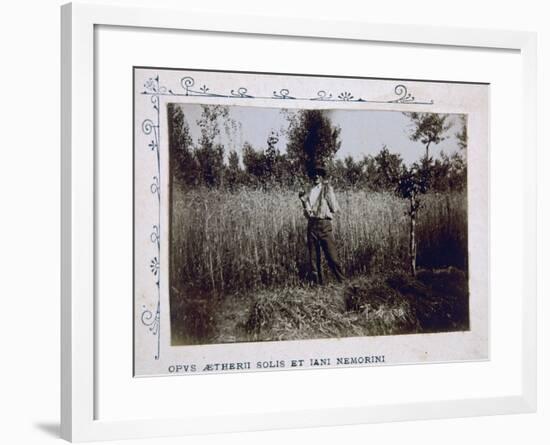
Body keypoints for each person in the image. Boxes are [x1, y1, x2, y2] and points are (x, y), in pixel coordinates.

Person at [299, 164, 346, 285]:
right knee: (314, 259)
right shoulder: (308, 192)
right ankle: (319, 286)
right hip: (312, 225)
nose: (316, 176)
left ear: (322, 177)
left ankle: (343, 284)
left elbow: (334, 208)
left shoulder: (327, 189)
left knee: (332, 257)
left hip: (324, 224)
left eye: (318, 174)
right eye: (314, 174)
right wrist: (303, 202)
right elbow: (308, 214)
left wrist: (329, 196)